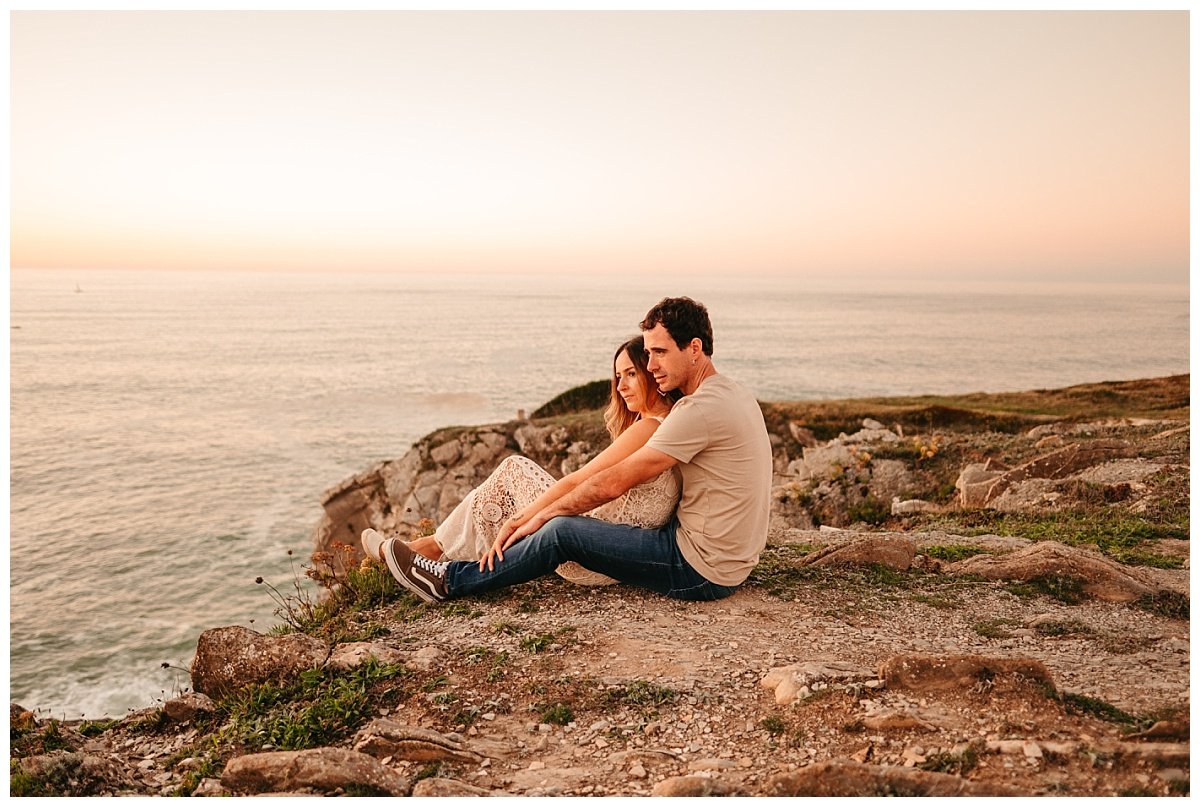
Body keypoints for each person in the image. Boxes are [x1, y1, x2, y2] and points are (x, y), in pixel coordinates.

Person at [366, 296, 772, 603]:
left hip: (701, 569)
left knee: (561, 530)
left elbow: (613, 482)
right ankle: (430, 554)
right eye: (646, 355)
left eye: (659, 353)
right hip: (729, 560)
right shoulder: (731, 393)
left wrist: (539, 517)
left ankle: (448, 580)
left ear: (695, 349)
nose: (650, 367)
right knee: (555, 519)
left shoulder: (697, 410)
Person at [363, 335, 681, 586]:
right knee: (504, 488)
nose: (621, 386)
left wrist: (523, 519)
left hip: (587, 553)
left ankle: (430, 551)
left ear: (652, 374)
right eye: (617, 376)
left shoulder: (650, 427)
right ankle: (428, 550)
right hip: (603, 550)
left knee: (515, 468)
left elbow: (579, 479)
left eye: (631, 374)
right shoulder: (671, 424)